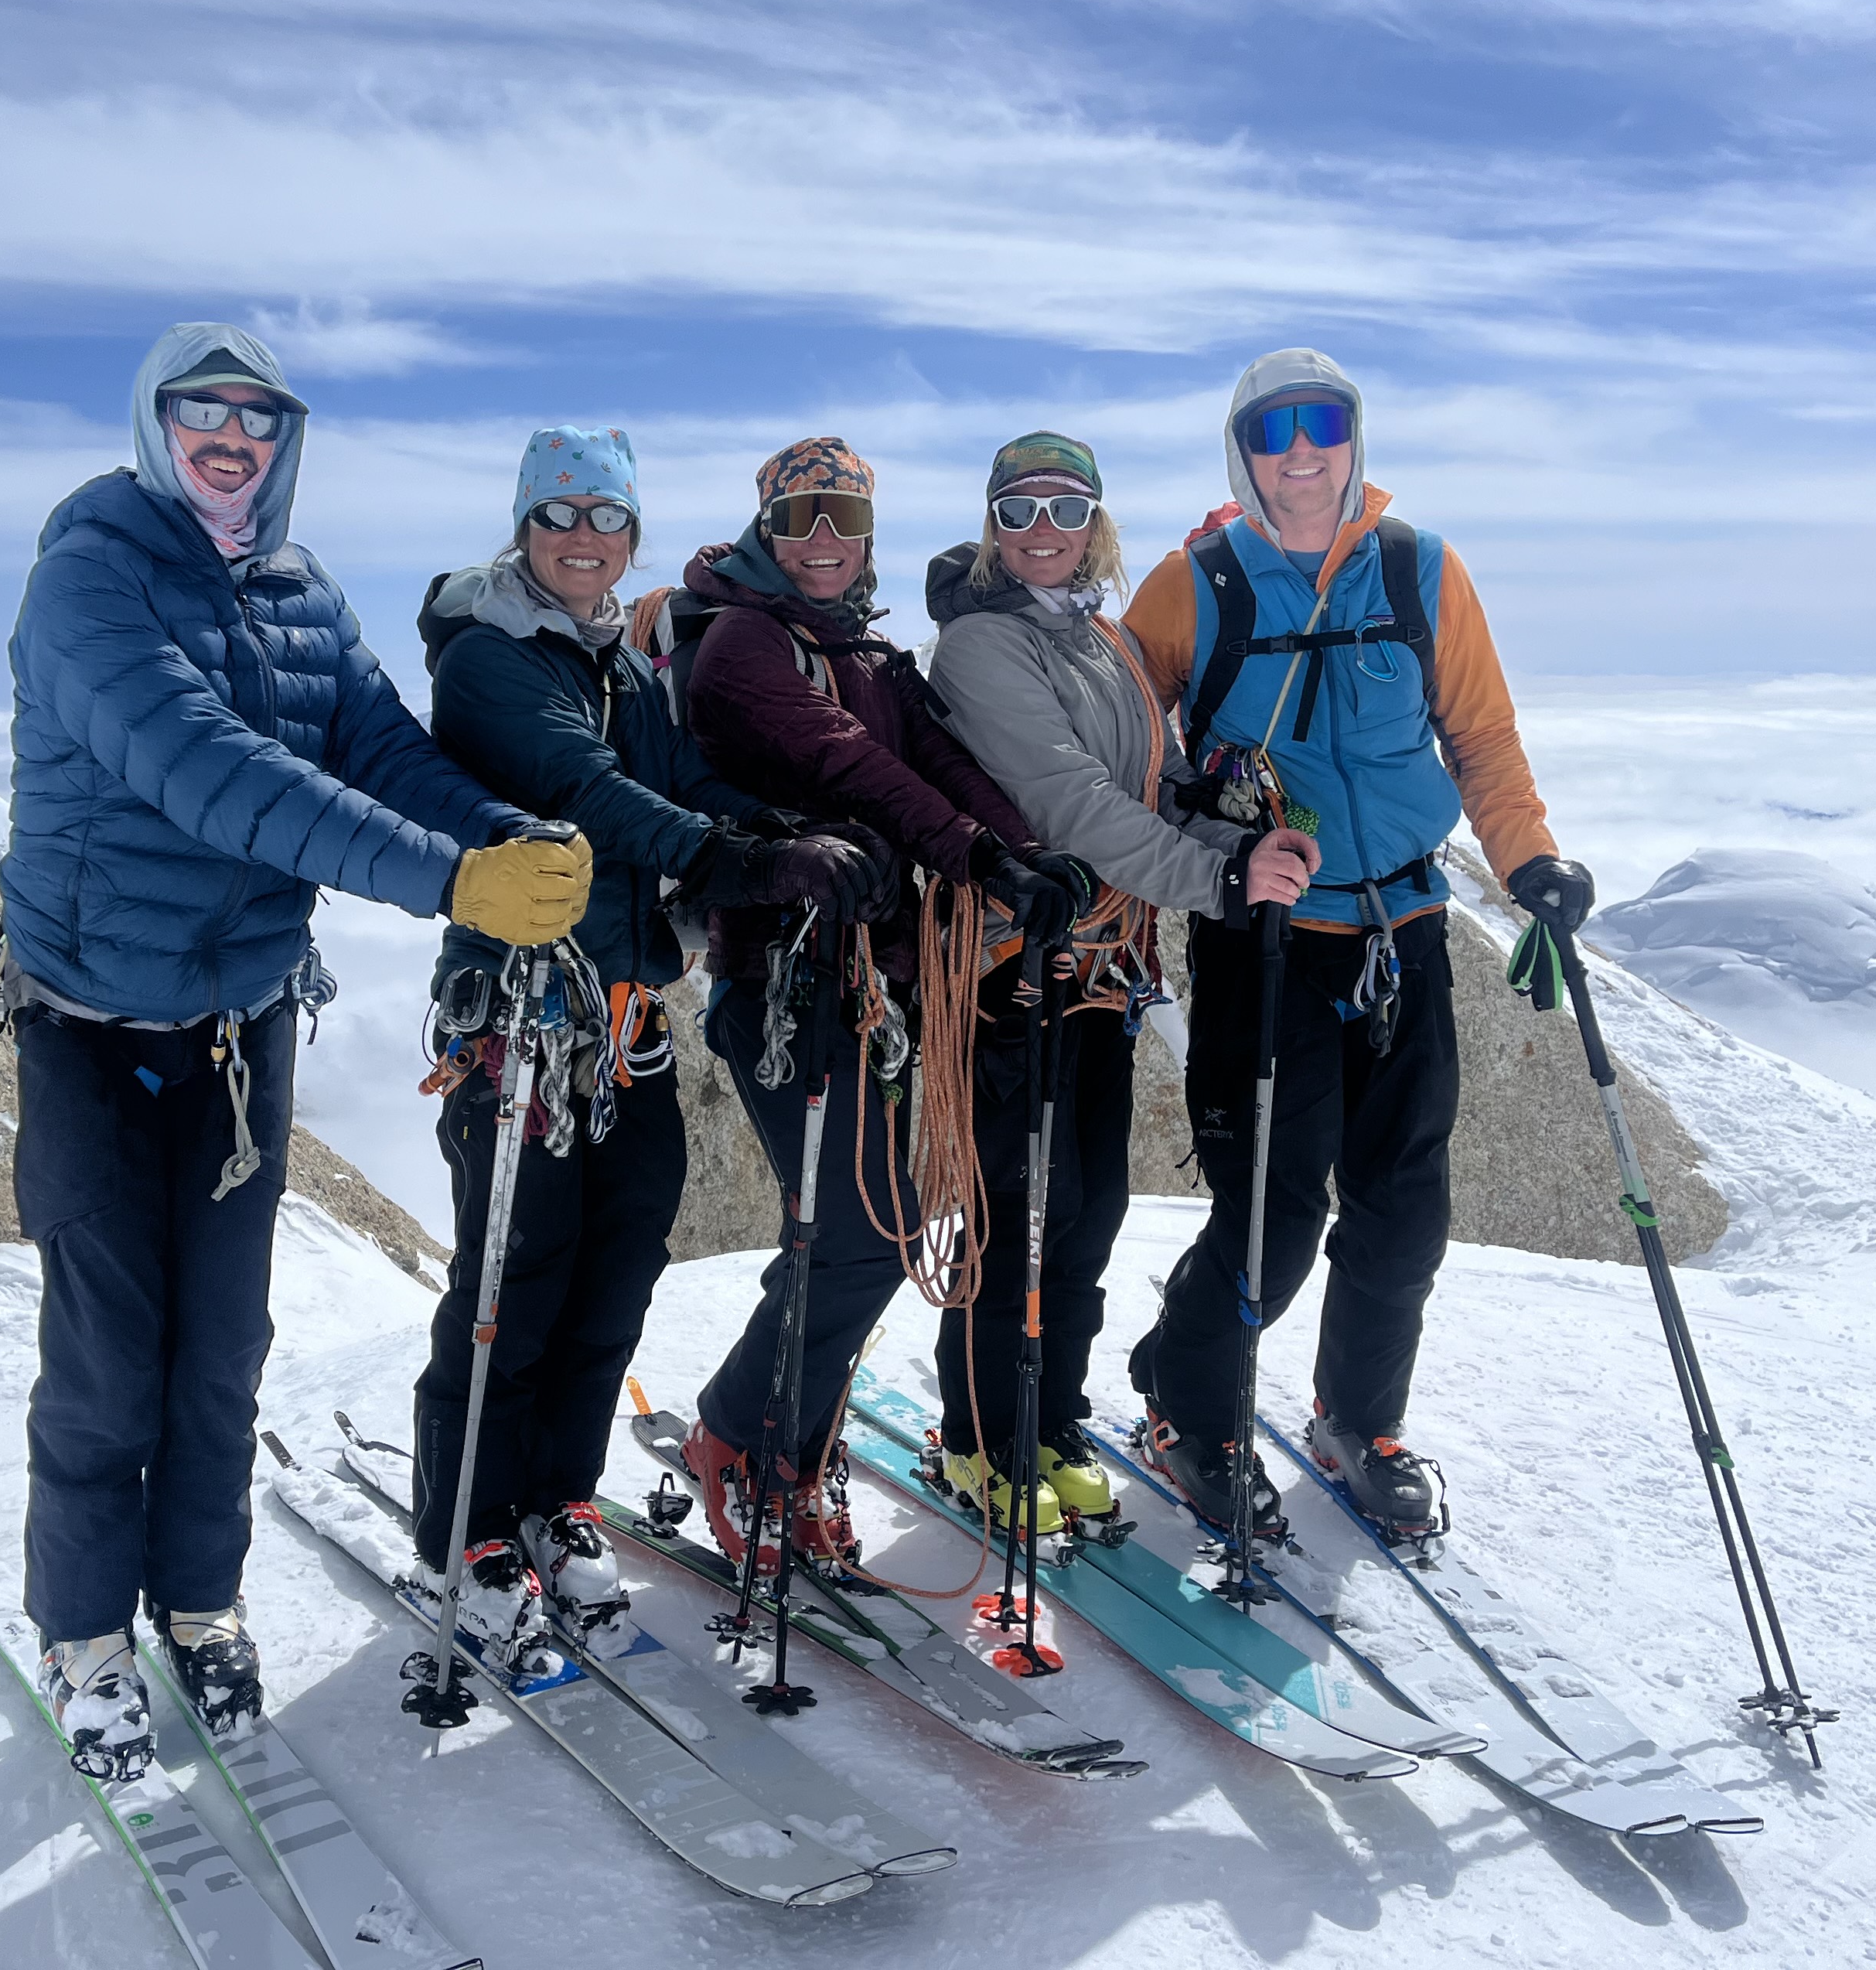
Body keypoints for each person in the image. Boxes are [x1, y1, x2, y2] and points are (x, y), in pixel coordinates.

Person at [0, 321, 592, 1777]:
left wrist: (494, 832)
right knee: (106, 1358)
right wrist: (453, 884)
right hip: (89, 1028)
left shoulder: (300, 591)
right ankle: (83, 1632)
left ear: (289, 440)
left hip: (238, 1031)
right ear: (154, 421)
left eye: (260, 416)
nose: (231, 435)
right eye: (200, 409)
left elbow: (373, 746)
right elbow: (214, 775)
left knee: (221, 1352)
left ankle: (198, 1600)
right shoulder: (89, 576)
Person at [410, 425, 884, 1651]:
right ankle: (464, 1527)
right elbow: (592, 796)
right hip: (521, 1018)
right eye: (559, 516)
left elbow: (682, 779)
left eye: (605, 519)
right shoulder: (487, 663)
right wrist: (744, 857)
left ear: (632, 538)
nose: (583, 538)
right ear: (524, 528)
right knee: (512, 1281)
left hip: (623, 1024)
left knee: (616, 1268)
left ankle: (559, 1501)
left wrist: (789, 829)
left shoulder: (620, 667)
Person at [1117, 348, 1593, 1539]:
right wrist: (1191, 822)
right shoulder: (1195, 582)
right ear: (1244, 451)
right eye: (1273, 430)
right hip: (1266, 936)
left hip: (1405, 926)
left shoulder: (1418, 569)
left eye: (1322, 422)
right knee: (1271, 1211)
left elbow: (1479, 733)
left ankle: (1356, 1416)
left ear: (1354, 437)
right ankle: (1188, 1410)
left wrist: (1530, 857)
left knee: (1404, 1203)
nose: (1301, 449)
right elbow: (1123, 737)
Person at [667, 436, 1090, 1567]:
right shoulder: (743, 645)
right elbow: (857, 766)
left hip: (860, 987)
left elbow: (936, 757)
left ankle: (791, 1448)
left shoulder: (858, 646)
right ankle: (738, 1438)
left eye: (843, 520)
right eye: (802, 515)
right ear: (768, 521)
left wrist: (1014, 848)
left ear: (866, 536)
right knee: (851, 1237)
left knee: (864, 1233)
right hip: (784, 983)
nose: (822, 538)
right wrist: (974, 856)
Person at [921, 432, 1318, 1536]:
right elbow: (1073, 805)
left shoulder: (1101, 639)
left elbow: (1154, 778)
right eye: (1017, 512)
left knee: (1087, 1212)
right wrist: (1219, 881)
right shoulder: (980, 646)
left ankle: (1048, 1423)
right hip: (1013, 968)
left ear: (1095, 522)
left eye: (1063, 509)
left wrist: (1239, 830)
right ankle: (979, 1437)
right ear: (992, 529)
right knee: (1015, 1217)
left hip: (1095, 971)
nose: (1041, 532)